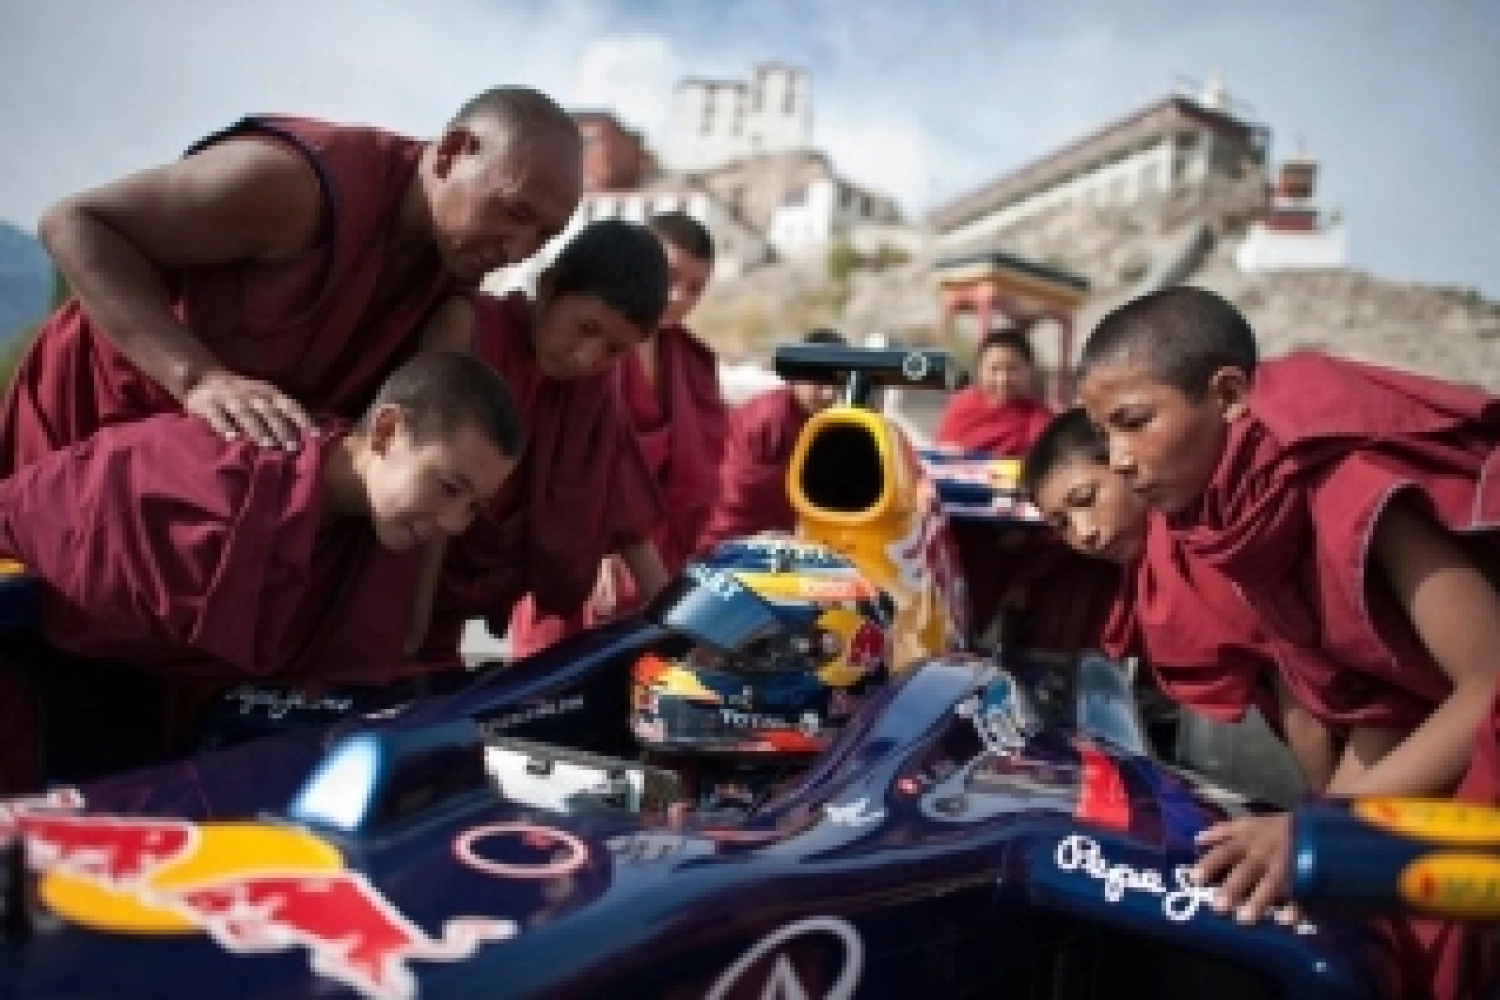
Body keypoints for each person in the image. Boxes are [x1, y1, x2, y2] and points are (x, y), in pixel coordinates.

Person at [1077, 285, 1500, 998]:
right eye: (1105, 435)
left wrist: (1318, 829)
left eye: (1135, 422)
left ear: (1230, 395)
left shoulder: (1351, 480)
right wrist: (1309, 841)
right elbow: (1382, 704)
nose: (1117, 460)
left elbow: (1488, 684)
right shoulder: (1239, 518)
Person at [0, 352, 522, 793]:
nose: (453, 523)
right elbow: (55, 539)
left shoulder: (374, 533)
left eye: (474, 507)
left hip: (137, 702)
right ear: (385, 432)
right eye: (449, 488)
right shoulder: (216, 478)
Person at [1, 85, 581, 471]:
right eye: (514, 211)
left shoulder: (447, 276)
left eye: (543, 237)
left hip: (199, 487)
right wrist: (200, 377)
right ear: (454, 151)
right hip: (82, 435)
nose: (518, 250)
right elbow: (76, 222)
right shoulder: (296, 186)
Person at [1024, 408, 1335, 791]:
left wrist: (1324, 824)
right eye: (1061, 525)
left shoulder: (1212, 541)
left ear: (1125, 465)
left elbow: (1300, 693)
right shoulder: (1151, 569)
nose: (1084, 533)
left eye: (1087, 499)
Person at [418, 220, 672, 662]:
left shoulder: (594, 392)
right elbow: (423, 486)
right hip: (390, 589)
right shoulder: (470, 327)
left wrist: (680, 634)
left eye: (614, 350)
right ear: (550, 286)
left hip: (444, 630)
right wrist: (409, 632)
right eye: (585, 328)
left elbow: (630, 522)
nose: (588, 357)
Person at [505, 212, 728, 657]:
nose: (678, 297)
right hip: (578, 549)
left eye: (695, 287)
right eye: (670, 278)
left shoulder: (692, 362)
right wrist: (599, 549)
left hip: (659, 552)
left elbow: (702, 474)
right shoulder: (584, 353)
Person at [695, 329, 847, 552]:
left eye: (836, 385)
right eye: (820, 384)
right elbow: (739, 490)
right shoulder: (769, 418)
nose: (829, 394)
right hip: (731, 540)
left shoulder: (826, 421)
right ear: (796, 376)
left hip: (787, 541)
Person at [934, 327, 1053, 455]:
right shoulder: (962, 405)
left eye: (1012, 369)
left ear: (1029, 370)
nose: (1003, 379)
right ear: (980, 371)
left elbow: (1044, 463)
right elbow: (942, 451)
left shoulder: (1039, 417)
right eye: (994, 369)